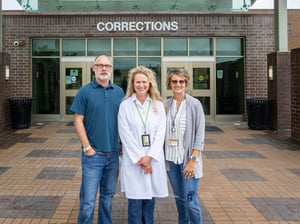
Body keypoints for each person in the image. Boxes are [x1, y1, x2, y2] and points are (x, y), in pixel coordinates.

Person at [70, 55, 124, 224]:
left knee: (107, 198)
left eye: (107, 65)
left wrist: (122, 145)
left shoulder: (119, 92)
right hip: (93, 155)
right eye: (100, 65)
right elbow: (78, 120)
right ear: (93, 68)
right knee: (88, 201)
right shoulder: (84, 91)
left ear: (111, 69)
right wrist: (87, 148)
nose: (104, 68)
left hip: (114, 155)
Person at [118, 66, 168, 224]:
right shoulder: (125, 105)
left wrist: (150, 157)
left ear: (150, 84)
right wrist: (142, 159)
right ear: (132, 84)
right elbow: (125, 135)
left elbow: (161, 134)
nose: (141, 85)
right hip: (135, 162)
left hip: (153, 159)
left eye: (144, 82)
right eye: (138, 82)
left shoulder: (158, 105)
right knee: (134, 201)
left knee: (150, 199)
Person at [164, 68, 205, 224]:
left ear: (186, 83)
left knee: (190, 200)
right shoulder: (165, 105)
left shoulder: (195, 105)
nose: (178, 84)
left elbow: (199, 135)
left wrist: (193, 160)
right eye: (174, 81)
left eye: (181, 81)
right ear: (170, 83)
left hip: (188, 160)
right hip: (172, 160)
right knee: (179, 199)